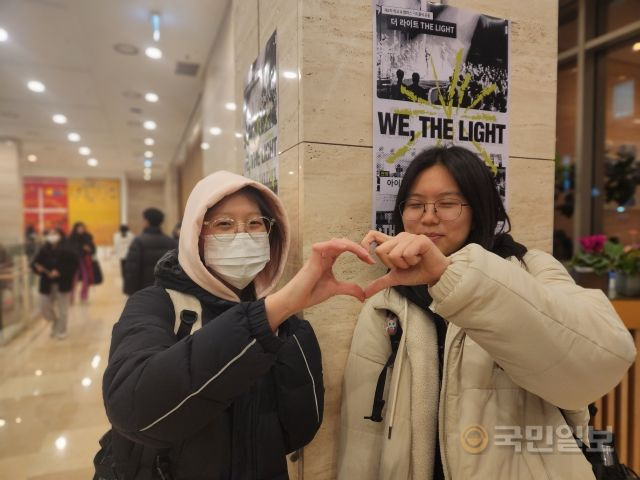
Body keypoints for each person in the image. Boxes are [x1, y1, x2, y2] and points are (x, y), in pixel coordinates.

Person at [338, 146, 636, 480]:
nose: (429, 216)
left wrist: (449, 277)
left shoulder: (530, 269)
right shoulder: (386, 303)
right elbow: (362, 437)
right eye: (415, 204)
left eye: (448, 204)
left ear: (479, 209)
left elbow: (604, 359)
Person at [102, 171, 374, 479]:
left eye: (255, 224)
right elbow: (133, 409)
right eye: (224, 224)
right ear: (195, 237)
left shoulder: (284, 322)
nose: (242, 235)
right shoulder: (155, 305)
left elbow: (298, 430)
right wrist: (272, 313)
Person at [31, 228, 79, 339]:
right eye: (50, 233)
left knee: (63, 309)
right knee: (43, 306)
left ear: (61, 235)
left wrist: (60, 272)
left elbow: (73, 266)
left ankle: (62, 330)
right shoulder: (44, 249)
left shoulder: (68, 250)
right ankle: (56, 322)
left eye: (55, 233)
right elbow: (34, 263)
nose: (52, 236)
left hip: (62, 283)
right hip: (46, 283)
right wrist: (38, 268)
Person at [123, 208, 177, 295]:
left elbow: (132, 270)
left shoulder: (138, 241)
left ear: (146, 221)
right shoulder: (171, 242)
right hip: (165, 292)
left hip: (143, 292)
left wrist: (130, 292)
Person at [68, 221, 96, 303]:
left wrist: (89, 249)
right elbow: (69, 249)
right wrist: (81, 248)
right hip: (74, 261)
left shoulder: (87, 237)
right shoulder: (71, 238)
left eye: (82, 228)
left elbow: (93, 249)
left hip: (85, 261)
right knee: (73, 280)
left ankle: (84, 296)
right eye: (79, 228)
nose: (81, 230)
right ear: (75, 229)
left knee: (86, 278)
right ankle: (71, 297)